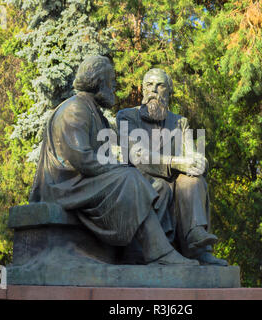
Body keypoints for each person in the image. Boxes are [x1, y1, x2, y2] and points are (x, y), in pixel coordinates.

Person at [29, 56, 198, 265]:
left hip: (84, 182)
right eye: (111, 81)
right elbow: (81, 158)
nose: (114, 87)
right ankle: (161, 255)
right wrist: (118, 168)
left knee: (159, 186)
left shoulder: (94, 112)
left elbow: (103, 155)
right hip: (67, 186)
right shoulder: (75, 109)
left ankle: (139, 253)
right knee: (130, 177)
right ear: (98, 81)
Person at [116, 68, 228, 266]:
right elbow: (137, 154)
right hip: (140, 181)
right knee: (164, 184)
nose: (154, 91)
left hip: (175, 186)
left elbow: (192, 154)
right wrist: (178, 162)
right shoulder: (127, 117)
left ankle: (197, 242)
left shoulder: (179, 122)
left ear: (168, 91)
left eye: (160, 86)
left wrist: (200, 161)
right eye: (149, 85)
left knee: (192, 179)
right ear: (142, 89)